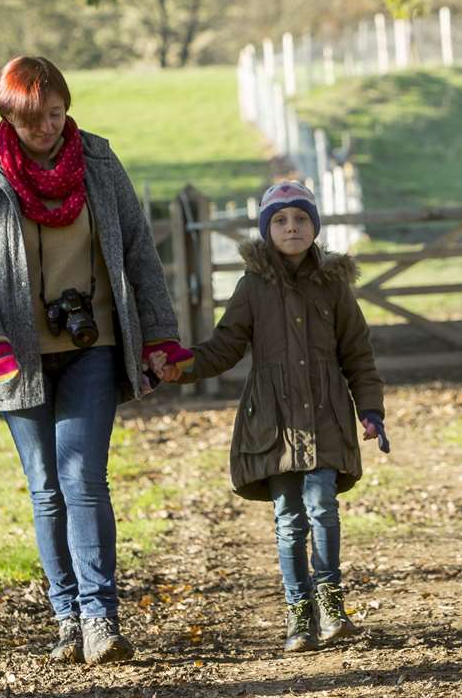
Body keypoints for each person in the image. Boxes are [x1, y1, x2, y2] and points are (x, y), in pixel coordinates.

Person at [0, 55, 191, 665]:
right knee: (45, 488)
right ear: (8, 114)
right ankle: (65, 618)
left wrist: (159, 336)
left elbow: (138, 250)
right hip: (15, 358)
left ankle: (100, 617)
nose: (47, 128)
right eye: (32, 120)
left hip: (92, 346)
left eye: (55, 114)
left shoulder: (100, 163)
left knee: (83, 478)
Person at [165, 181, 386, 653]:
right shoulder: (253, 288)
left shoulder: (334, 286)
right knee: (289, 517)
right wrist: (182, 366)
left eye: (301, 219)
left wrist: (370, 410)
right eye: (281, 220)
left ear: (314, 227)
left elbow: (358, 354)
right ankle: (298, 612)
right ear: (267, 230)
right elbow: (225, 346)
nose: (292, 228)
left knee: (324, 508)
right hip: (273, 423)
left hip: (326, 416)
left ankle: (331, 602)